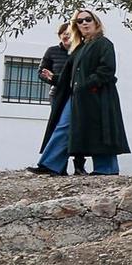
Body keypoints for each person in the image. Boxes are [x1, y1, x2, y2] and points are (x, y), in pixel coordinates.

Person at [34, 9, 130, 175]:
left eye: (88, 19)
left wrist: (87, 85)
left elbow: (107, 70)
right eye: (80, 21)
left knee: (101, 129)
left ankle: (106, 169)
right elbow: (68, 76)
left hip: (98, 95)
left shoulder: (104, 43)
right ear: (76, 26)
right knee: (63, 126)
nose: (84, 23)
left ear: (95, 22)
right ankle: (50, 165)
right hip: (77, 96)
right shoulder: (79, 48)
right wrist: (54, 78)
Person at [34, 21, 88, 175]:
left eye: (69, 32)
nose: (66, 35)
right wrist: (51, 78)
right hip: (58, 94)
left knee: (78, 129)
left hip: (78, 93)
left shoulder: (80, 50)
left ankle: (79, 165)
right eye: (63, 33)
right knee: (60, 128)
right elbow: (41, 72)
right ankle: (58, 166)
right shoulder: (52, 51)